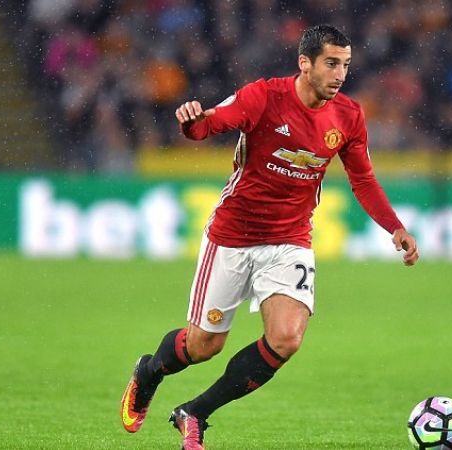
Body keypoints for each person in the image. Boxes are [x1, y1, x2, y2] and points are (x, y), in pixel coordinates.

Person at [120, 24, 419, 449]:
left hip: (289, 240)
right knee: (203, 345)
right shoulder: (263, 96)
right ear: (305, 63)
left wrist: (395, 227)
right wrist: (191, 122)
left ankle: (196, 413)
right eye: (331, 63)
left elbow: (363, 179)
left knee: (287, 338)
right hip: (232, 236)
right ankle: (149, 372)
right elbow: (210, 125)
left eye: (346, 65)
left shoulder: (348, 116)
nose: (340, 74)